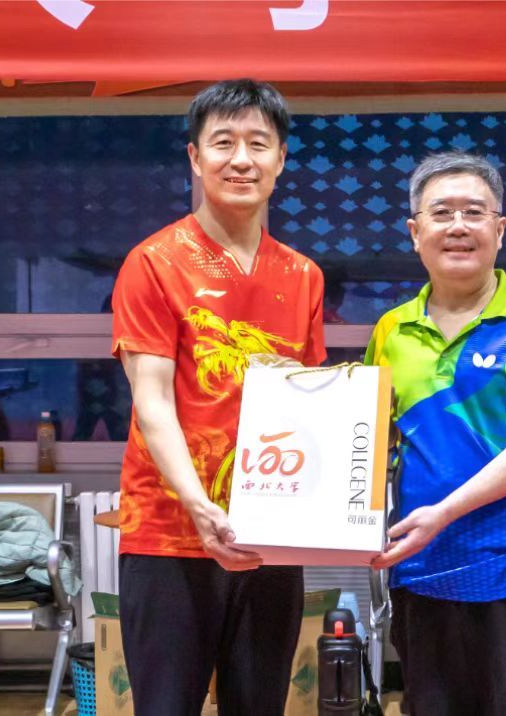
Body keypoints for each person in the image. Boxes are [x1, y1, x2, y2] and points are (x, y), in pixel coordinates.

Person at [110, 79, 326, 716]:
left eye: (258, 144)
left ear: (280, 159)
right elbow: (152, 400)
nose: (241, 159)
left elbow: (309, 405)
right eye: (223, 142)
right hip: (169, 533)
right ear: (194, 157)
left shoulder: (303, 275)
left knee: (259, 704)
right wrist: (199, 506)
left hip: (271, 532)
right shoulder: (154, 262)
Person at [365, 151, 506, 715]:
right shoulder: (392, 330)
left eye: (474, 212)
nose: (458, 226)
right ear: (415, 232)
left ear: (500, 229)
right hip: (419, 569)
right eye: (442, 212)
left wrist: (443, 513)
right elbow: (370, 441)